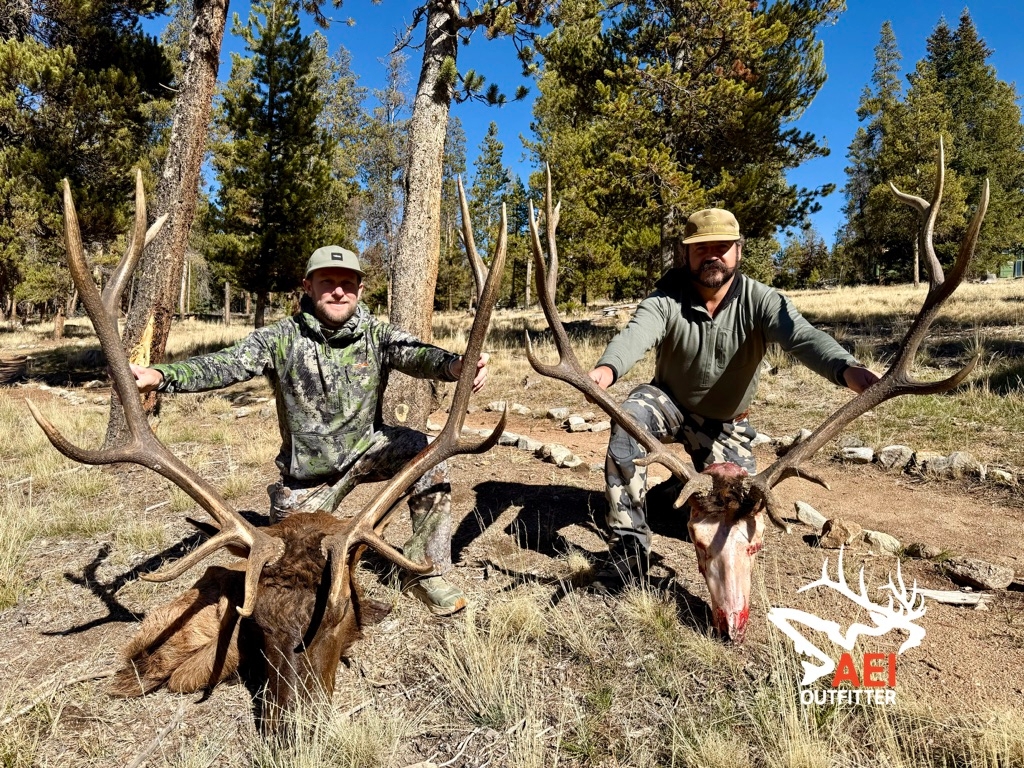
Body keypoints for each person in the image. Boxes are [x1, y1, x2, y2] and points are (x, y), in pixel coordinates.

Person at [130, 246, 488, 615]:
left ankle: (426, 572)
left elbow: (419, 354)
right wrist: (161, 375)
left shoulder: (377, 335)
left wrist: (455, 365)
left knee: (429, 456)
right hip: (307, 478)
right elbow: (226, 364)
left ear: (360, 290)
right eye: (327, 282)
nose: (338, 291)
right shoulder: (280, 338)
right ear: (308, 286)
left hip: (369, 449)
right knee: (293, 569)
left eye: (347, 283)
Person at [587, 208, 879, 576]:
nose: (712, 256)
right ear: (685, 254)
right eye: (700, 248)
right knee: (628, 419)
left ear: (739, 250)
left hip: (725, 424)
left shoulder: (762, 301)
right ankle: (629, 544)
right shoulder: (666, 298)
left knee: (739, 510)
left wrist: (845, 368)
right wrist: (607, 368)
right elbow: (636, 334)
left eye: (722, 247)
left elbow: (803, 336)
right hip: (668, 404)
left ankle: (668, 494)